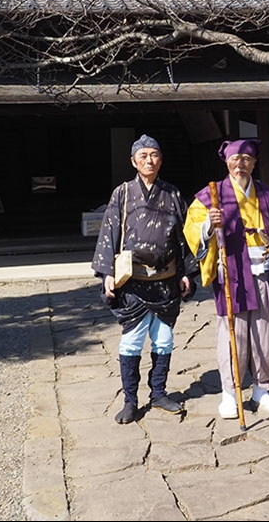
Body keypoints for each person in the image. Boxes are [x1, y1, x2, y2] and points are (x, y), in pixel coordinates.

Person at [183, 138, 269, 420]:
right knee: (234, 335)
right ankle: (231, 392)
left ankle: (262, 389)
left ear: (254, 163)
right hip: (232, 274)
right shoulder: (211, 196)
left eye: (247, 159)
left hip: (265, 271)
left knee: (267, 334)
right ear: (226, 161)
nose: (240, 164)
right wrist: (208, 225)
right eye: (235, 159)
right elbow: (191, 230)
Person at [91, 134, 199, 424]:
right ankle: (130, 399)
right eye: (143, 156)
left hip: (165, 280)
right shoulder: (122, 194)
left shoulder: (173, 194)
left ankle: (159, 392)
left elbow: (184, 237)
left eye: (154, 155)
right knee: (132, 341)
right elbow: (108, 234)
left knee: (163, 340)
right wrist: (107, 274)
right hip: (134, 282)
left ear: (161, 159)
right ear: (133, 161)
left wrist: (187, 272)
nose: (149, 160)